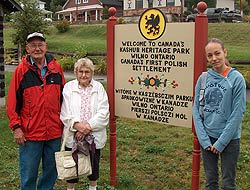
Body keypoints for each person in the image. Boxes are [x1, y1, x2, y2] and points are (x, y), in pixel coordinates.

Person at [6, 32, 66, 190]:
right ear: (27, 48)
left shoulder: (56, 68)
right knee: (28, 174)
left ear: (46, 47)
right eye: (33, 45)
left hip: (54, 131)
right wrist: (16, 127)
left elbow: (65, 97)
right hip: (30, 133)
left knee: (50, 171)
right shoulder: (21, 71)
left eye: (40, 45)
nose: (37, 48)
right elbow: (12, 102)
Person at [193, 38, 246, 190]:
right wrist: (204, 140)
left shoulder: (236, 79)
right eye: (210, 55)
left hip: (229, 140)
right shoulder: (203, 79)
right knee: (211, 182)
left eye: (217, 53)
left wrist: (221, 142)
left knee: (228, 183)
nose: (214, 58)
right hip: (208, 139)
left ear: (225, 52)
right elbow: (196, 109)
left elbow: (238, 113)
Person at [60, 57, 110, 190]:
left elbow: (103, 112)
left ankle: (92, 188)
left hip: (93, 135)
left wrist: (87, 128)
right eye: (80, 71)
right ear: (76, 72)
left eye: (87, 72)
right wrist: (77, 126)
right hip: (73, 135)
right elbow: (65, 112)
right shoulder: (68, 88)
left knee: (93, 168)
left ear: (92, 73)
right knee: (71, 167)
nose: (83, 75)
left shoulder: (98, 88)